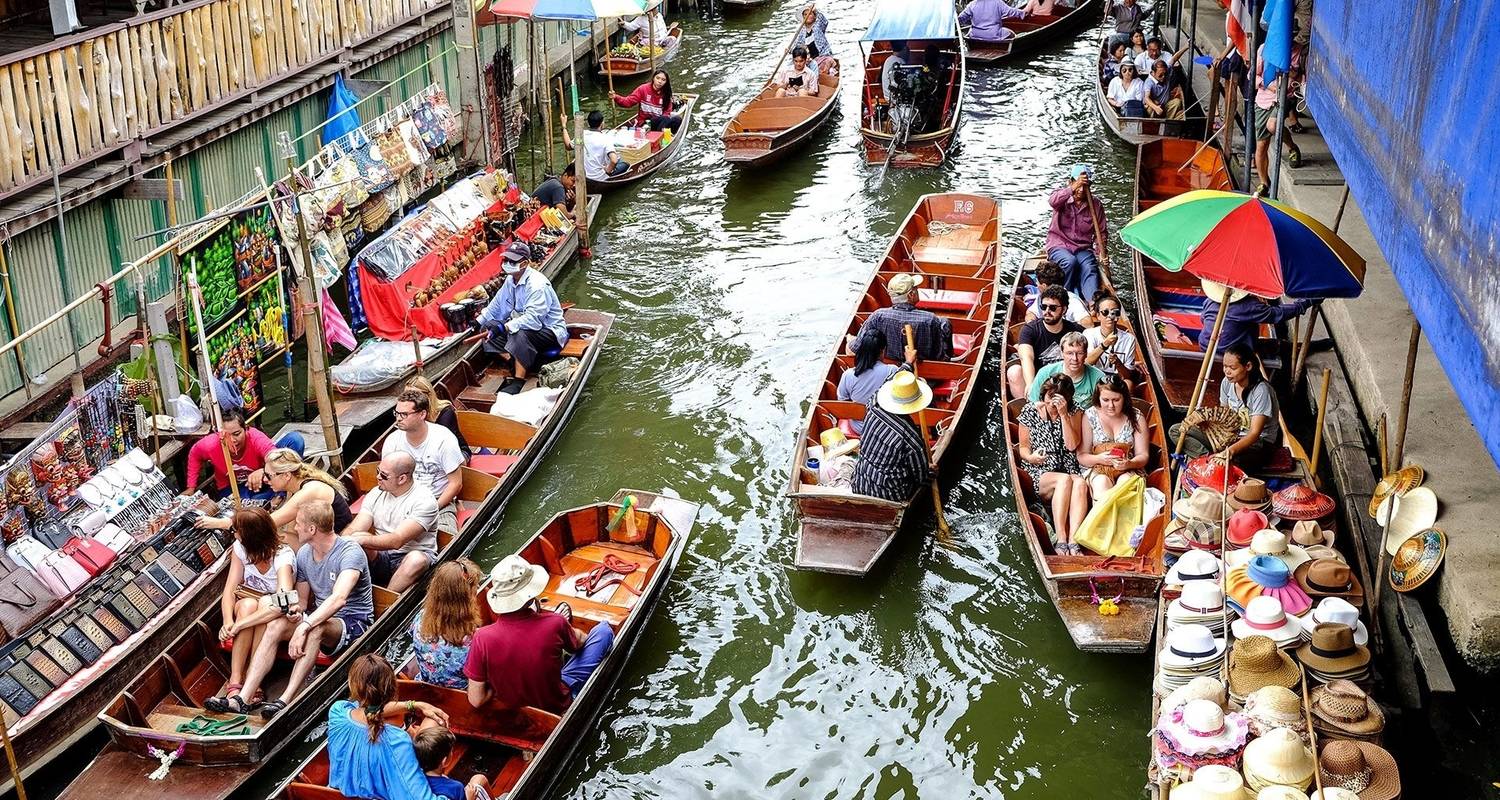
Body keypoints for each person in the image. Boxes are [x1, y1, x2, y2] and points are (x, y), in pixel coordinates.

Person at [208, 501, 374, 720]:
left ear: (312, 529)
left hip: (353, 621)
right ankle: (242, 699)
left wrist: (305, 625)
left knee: (316, 627)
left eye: (298, 524)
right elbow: (302, 602)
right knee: (277, 624)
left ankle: (285, 699)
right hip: (318, 615)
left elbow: (339, 599)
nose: (294, 528)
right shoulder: (305, 553)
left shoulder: (350, 552)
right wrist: (295, 613)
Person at [465, 555, 615, 713]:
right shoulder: (555, 622)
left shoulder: (481, 637)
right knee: (604, 630)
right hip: (557, 703)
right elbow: (579, 644)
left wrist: (498, 686)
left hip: (515, 715)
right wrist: (565, 628)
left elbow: (476, 699)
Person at [326, 653, 485, 800]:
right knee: (479, 781)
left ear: (352, 685)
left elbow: (368, 710)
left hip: (341, 793)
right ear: (393, 688)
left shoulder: (337, 712)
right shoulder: (397, 741)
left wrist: (414, 705)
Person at [214, 507, 296, 709]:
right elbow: (230, 590)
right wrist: (228, 621)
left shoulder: (282, 556)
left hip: (272, 611)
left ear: (250, 535)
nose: (233, 533)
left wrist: (239, 625)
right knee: (250, 605)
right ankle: (235, 678)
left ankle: (252, 680)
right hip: (248, 605)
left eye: (235, 529)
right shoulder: (240, 548)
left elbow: (282, 602)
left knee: (263, 605)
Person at [196, 446, 352, 533]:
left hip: (339, 538)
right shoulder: (295, 487)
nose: (264, 480)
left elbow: (269, 523)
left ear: (286, 475)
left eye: (269, 476)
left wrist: (222, 523)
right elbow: (288, 527)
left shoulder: (307, 491)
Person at [343, 452, 440, 592]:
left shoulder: (424, 501)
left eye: (383, 475)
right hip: (383, 555)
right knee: (357, 535)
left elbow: (397, 540)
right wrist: (342, 541)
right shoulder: (376, 493)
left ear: (402, 478)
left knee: (416, 560)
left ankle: (387, 600)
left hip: (410, 556)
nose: (378, 477)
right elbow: (356, 527)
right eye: (378, 471)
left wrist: (359, 540)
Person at [1016, 374, 1088, 554]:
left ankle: (1074, 540)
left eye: (1058, 400)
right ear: (1043, 396)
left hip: (1069, 466)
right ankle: (1061, 539)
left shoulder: (1074, 411)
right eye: (1049, 398)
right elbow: (1023, 449)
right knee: (1064, 480)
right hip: (1041, 470)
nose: (1052, 404)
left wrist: (1063, 415)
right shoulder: (1030, 411)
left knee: (1079, 482)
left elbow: (1072, 445)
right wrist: (1032, 457)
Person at [476, 242, 569, 380]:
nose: (507, 263)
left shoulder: (537, 285)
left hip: (549, 330)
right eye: (506, 260)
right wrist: (478, 322)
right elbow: (497, 303)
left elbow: (533, 320)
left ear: (524, 263)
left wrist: (505, 326)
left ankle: (519, 379)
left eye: (512, 261)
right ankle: (511, 360)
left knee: (518, 333)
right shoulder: (510, 280)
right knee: (488, 327)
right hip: (524, 325)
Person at [382, 390, 465, 535]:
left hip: (438, 501)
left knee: (445, 536)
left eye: (404, 414)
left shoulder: (444, 439)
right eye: (396, 413)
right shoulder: (392, 441)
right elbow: (388, 478)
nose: (399, 419)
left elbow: (455, 483)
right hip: (402, 500)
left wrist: (433, 507)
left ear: (422, 414)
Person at [850, 371, 933, 502]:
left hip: (860, 483)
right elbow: (921, 477)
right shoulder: (911, 438)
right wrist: (932, 472)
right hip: (890, 497)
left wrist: (907, 364)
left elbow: (886, 381)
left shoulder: (873, 405)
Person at [846, 273, 953, 363]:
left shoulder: (877, 316)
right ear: (911, 295)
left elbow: (851, 351)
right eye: (916, 288)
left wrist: (850, 340)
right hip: (928, 376)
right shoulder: (930, 319)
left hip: (889, 374)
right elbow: (941, 358)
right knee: (944, 322)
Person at [409, 560, 482, 690]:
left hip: (427, 688)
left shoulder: (420, 618)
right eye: (475, 588)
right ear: (466, 599)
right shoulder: (474, 641)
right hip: (460, 697)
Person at [184, 406, 285, 497]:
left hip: (261, 479)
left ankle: (280, 492)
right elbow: (195, 454)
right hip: (230, 487)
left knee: (294, 440)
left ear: (246, 429)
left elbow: (275, 457)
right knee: (247, 505)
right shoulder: (210, 444)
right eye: (227, 436)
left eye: (237, 434)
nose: (232, 440)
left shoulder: (256, 438)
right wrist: (191, 487)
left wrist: (264, 471)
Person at [1211, 343, 1283, 471]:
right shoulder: (1226, 383)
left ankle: (1216, 460)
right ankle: (1209, 459)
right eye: (1225, 366)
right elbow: (1224, 417)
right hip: (1233, 437)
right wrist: (1213, 431)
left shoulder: (1261, 391)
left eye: (1232, 368)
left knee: (1233, 463)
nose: (1227, 371)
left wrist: (1230, 451)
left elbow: (1255, 433)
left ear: (1248, 366)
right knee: (1178, 431)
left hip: (1258, 443)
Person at [1077, 374, 1148, 500]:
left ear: (1124, 398)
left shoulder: (1136, 417)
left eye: (1116, 400)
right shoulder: (1090, 416)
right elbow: (1082, 456)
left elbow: (1143, 455)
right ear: (1098, 399)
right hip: (1097, 467)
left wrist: (1129, 463)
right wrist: (1100, 459)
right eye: (1105, 400)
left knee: (1125, 484)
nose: (1111, 405)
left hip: (1128, 468)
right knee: (1101, 484)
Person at [1046, 164, 1109, 307]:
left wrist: (1101, 253)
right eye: (1078, 185)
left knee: (1089, 267)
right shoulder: (1062, 197)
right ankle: (1062, 299)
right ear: (1071, 182)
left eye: (1085, 186)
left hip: (1082, 248)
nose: (1081, 190)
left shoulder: (1096, 205)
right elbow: (1052, 201)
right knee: (1069, 262)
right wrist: (1074, 187)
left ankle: (1093, 303)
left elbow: (1102, 232)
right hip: (1059, 244)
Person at [1006, 284, 1085, 398]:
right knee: (1014, 371)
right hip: (1039, 379)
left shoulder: (1075, 330)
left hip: (1066, 381)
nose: (1047, 311)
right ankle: (1027, 407)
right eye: (1044, 307)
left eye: (1052, 308)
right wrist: (1030, 384)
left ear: (1064, 310)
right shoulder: (1030, 330)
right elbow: (1027, 357)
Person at [1197, 280, 1313, 355]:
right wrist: (1302, 305)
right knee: (1280, 348)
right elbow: (1276, 314)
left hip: (1206, 345)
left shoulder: (1210, 301)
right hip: (1232, 351)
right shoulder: (1247, 306)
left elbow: (1204, 319)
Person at [837, 329, 914, 435]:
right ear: (883, 351)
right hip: (886, 427)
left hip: (859, 428)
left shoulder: (848, 375)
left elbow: (843, 403)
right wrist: (909, 362)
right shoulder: (892, 370)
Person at [1252, 44, 1301, 195]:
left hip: (1285, 96)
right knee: (1261, 146)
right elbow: (1253, 75)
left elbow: (1296, 75)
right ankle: (1264, 182)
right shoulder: (1264, 48)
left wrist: (1285, 66)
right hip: (1263, 99)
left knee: (1273, 126)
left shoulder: (1296, 51)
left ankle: (1292, 147)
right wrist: (1266, 84)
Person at [1027, 331, 1106, 407]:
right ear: (1061, 353)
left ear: (1086, 354)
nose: (1075, 358)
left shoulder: (1098, 377)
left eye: (1080, 353)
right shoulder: (1045, 373)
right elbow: (1033, 404)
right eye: (1069, 353)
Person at [413, 727, 491, 800]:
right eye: (451, 751)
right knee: (480, 778)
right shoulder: (456, 787)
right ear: (444, 761)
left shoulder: (416, 777)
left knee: (480, 779)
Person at [405, 376, 470, 460]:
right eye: (406, 396)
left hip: (457, 453)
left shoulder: (445, 414)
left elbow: (445, 447)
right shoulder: (410, 414)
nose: (408, 400)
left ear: (427, 396)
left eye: (414, 396)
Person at [1084, 291, 1139, 384]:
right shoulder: (1089, 334)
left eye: (1114, 312)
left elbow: (1128, 376)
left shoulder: (1129, 339)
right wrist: (1104, 344)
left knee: (1129, 384)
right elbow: (1086, 363)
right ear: (1098, 316)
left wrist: (1118, 363)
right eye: (1105, 312)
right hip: (1094, 377)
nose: (1110, 316)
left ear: (1118, 316)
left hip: (1116, 380)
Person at [560, 111, 628, 181]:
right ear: (602, 124)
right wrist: (608, 171)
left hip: (583, 176)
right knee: (625, 164)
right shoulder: (605, 139)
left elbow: (568, 146)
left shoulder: (581, 136)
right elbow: (614, 160)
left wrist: (564, 126)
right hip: (600, 177)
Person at [611, 70, 681, 134]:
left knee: (677, 120)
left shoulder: (666, 94)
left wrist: (663, 126)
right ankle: (657, 137)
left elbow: (666, 113)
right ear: (653, 78)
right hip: (645, 123)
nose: (660, 81)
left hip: (660, 123)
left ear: (666, 82)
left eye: (663, 80)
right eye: (658, 78)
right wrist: (616, 97)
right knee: (665, 119)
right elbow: (628, 102)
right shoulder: (643, 89)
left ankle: (661, 136)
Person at [1023, 260, 1090, 324]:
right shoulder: (1041, 297)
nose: (1037, 285)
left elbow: (1087, 323)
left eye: (1037, 282)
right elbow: (1031, 313)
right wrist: (1032, 325)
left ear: (1044, 286)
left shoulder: (1072, 301)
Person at [959, 0, 1027, 43]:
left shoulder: (972, 4)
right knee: (1011, 33)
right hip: (994, 35)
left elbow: (961, 18)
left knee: (969, 32)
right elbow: (1011, 12)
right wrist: (1023, 13)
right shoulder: (998, 2)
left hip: (975, 35)